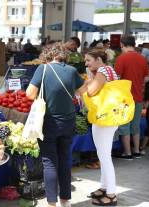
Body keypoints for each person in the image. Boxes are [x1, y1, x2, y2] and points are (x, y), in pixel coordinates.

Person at [25, 42, 84, 207]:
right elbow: (83, 92)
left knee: (49, 162)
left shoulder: (42, 69)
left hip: (48, 122)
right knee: (65, 159)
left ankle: (52, 203)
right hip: (68, 121)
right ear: (63, 55)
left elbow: (30, 94)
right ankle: (65, 200)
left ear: (48, 55)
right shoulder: (72, 71)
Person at [83, 48, 119, 206]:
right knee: (103, 154)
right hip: (109, 116)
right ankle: (104, 187)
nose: (86, 63)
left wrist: (86, 82)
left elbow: (90, 91)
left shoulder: (103, 70)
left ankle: (111, 194)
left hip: (104, 118)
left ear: (98, 59)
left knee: (104, 156)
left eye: (88, 60)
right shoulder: (109, 69)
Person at [115, 35, 149, 160]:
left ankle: (127, 153)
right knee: (135, 125)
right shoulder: (142, 59)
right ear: (134, 44)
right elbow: (146, 78)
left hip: (125, 98)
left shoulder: (121, 58)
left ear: (121, 44)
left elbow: (116, 78)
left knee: (124, 125)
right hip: (138, 97)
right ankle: (136, 151)